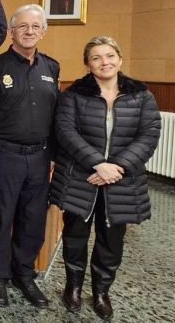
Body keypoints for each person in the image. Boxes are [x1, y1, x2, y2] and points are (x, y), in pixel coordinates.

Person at [51, 36, 160, 321]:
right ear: (88, 64)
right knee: (75, 236)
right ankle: (73, 287)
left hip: (123, 181)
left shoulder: (142, 96)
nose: (104, 62)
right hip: (81, 178)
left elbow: (148, 136)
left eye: (109, 56)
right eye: (96, 58)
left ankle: (101, 292)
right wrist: (98, 164)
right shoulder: (73, 94)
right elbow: (66, 133)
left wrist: (116, 168)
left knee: (111, 240)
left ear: (120, 59)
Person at [0, 4, 60, 308]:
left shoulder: (51, 68)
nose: (29, 31)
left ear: (43, 31)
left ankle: (24, 275)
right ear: (10, 32)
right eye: (22, 26)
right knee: (2, 216)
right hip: (4, 155)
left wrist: (52, 155)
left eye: (35, 26)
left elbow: (54, 118)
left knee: (32, 218)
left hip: (39, 157)